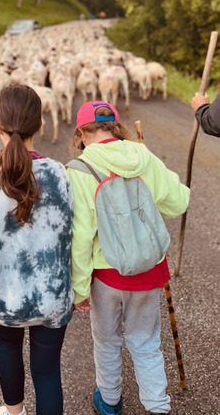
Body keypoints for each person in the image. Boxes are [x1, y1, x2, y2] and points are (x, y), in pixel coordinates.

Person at [67, 101, 190, 415]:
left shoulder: (80, 169)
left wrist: (79, 288)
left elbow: (81, 237)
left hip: (107, 274)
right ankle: (158, 406)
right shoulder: (142, 155)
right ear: (116, 126)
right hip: (149, 270)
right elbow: (177, 203)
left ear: (80, 132)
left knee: (107, 340)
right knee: (145, 341)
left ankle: (109, 402)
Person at [0, 84, 74, 415]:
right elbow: (68, 235)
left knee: (7, 350)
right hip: (52, 297)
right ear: (39, 124)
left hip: (3, 300)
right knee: (48, 371)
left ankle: (15, 413)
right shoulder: (58, 173)